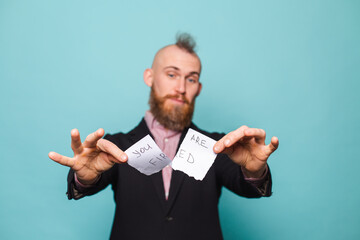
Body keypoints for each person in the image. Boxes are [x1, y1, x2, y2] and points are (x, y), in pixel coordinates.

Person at [49, 33, 279, 240]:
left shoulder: (220, 146)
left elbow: (248, 187)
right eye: (171, 74)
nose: (180, 87)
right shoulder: (115, 147)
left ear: (198, 88)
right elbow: (85, 185)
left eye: (191, 79)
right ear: (149, 77)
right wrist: (85, 178)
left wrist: (254, 170)